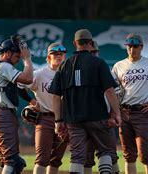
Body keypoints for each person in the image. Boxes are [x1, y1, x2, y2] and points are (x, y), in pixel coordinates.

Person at [49, 29, 121, 174]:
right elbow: (109, 91)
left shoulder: (64, 65)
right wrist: (117, 113)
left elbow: (56, 96)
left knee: (77, 156)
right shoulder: (99, 63)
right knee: (105, 151)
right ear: (90, 43)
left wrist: (58, 120)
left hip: (73, 119)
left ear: (75, 43)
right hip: (97, 116)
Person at [111, 33, 148, 174]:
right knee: (128, 155)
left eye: (135, 46)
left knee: (145, 154)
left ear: (142, 47)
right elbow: (112, 90)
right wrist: (117, 108)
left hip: (142, 112)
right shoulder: (118, 66)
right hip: (124, 112)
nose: (132, 50)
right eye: (129, 46)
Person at [0, 35, 34, 174]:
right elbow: (28, 79)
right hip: (4, 116)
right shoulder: (4, 66)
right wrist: (27, 59)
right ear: (8, 53)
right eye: (17, 56)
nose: (17, 60)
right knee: (14, 162)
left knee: (4, 160)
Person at [23, 43, 69, 174]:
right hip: (45, 119)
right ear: (48, 58)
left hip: (65, 120)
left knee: (56, 159)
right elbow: (20, 87)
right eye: (55, 54)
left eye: (61, 54)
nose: (58, 56)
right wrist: (32, 101)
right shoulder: (39, 74)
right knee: (42, 159)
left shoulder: (69, 75)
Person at [84, 41, 121, 174]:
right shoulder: (82, 69)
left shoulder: (104, 68)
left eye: (95, 52)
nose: (94, 54)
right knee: (86, 157)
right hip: (85, 119)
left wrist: (113, 115)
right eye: (91, 52)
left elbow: (114, 94)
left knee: (111, 155)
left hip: (104, 118)